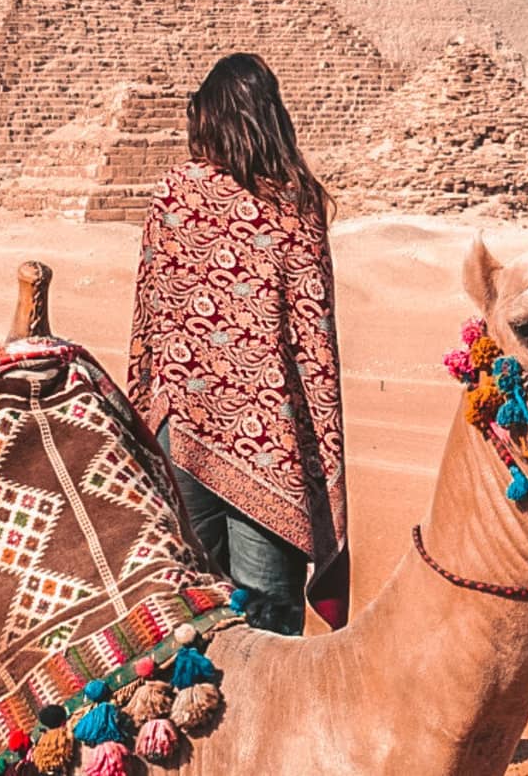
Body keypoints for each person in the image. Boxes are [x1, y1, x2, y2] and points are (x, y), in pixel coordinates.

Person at [127, 53, 349, 635]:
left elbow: (150, 322)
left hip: (183, 432)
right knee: (269, 631)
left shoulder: (175, 194)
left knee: (187, 618)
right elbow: (314, 346)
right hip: (270, 448)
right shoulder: (298, 206)